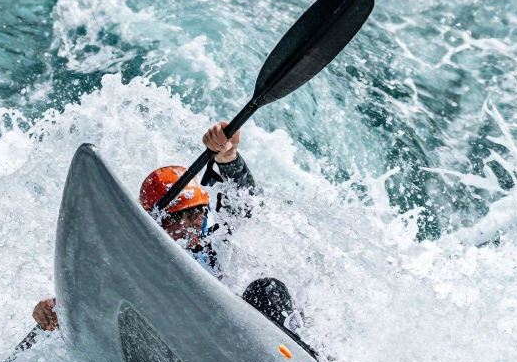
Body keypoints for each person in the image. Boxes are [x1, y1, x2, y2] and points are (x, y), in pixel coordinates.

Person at [32, 122, 309, 349]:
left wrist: (227, 156)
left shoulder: (218, 240)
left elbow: (244, 201)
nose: (189, 225)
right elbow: (95, 293)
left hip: (241, 341)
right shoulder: (135, 264)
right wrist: (52, 310)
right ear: (158, 222)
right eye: (177, 218)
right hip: (187, 348)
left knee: (267, 289)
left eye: (196, 214)